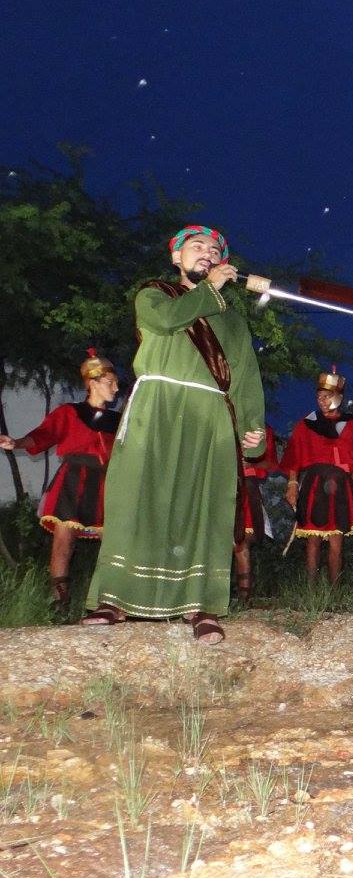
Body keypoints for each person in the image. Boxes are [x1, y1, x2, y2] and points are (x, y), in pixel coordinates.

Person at [84, 226, 266, 644]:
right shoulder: (153, 294)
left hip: (209, 413)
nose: (207, 253)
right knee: (137, 498)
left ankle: (200, 606)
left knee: (203, 505)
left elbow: (245, 375)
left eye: (214, 250)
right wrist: (211, 289)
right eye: (196, 247)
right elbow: (167, 321)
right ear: (176, 257)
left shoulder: (231, 319)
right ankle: (115, 599)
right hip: (157, 406)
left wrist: (251, 426)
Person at [0, 349, 120, 613]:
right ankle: (60, 602)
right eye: (110, 382)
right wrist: (16, 442)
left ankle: (111, 600)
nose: (116, 388)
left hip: (106, 482)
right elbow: (43, 435)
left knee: (114, 543)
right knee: (63, 540)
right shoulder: (69, 413)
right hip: (73, 479)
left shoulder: (119, 420)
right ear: (93, 383)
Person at [281, 368, 353, 585]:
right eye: (319, 396)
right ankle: (311, 591)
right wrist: (292, 484)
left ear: (339, 397)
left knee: (336, 541)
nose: (322, 401)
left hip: (340, 486)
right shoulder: (307, 424)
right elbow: (294, 457)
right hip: (314, 484)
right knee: (312, 540)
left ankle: (334, 591)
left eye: (327, 396)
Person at [233, 424, 279, 604]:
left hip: (247, 489)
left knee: (241, 542)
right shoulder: (219, 422)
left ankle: (244, 598)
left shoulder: (262, 430)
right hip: (219, 487)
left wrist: (251, 463)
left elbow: (271, 464)